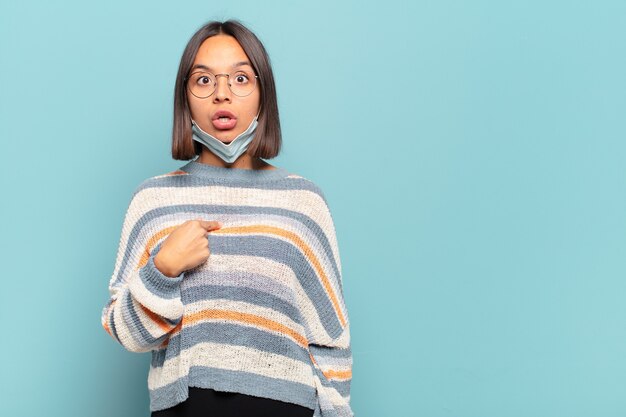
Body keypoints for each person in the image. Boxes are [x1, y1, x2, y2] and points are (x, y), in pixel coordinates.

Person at [100, 19, 353, 417]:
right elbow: (127, 334)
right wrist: (163, 269)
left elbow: (331, 341)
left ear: (262, 94)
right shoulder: (153, 199)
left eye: (240, 78)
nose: (222, 94)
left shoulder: (303, 202)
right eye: (204, 81)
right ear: (185, 98)